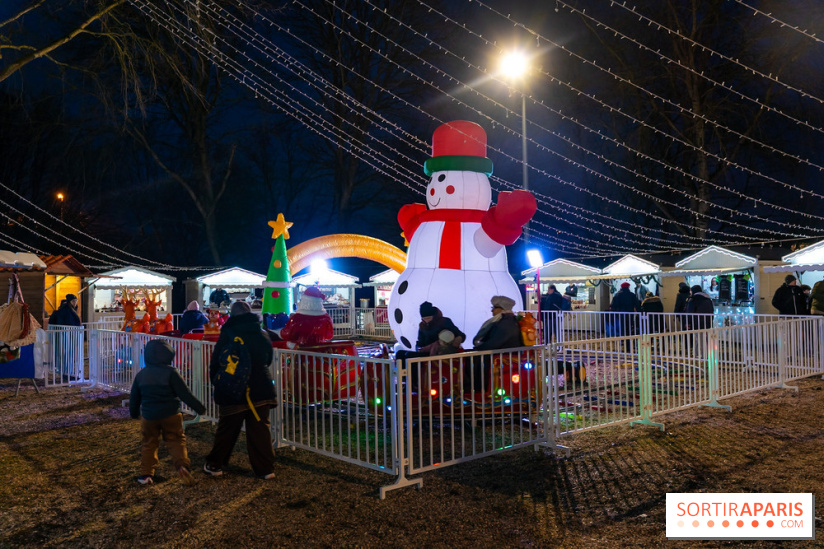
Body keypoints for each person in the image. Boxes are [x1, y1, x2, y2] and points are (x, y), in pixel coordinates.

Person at [203, 301, 277, 480]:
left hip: (232, 389)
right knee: (260, 430)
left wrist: (217, 381)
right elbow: (268, 359)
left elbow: (216, 361)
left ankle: (215, 464)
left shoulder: (228, 333)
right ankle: (265, 469)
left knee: (227, 429)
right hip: (261, 387)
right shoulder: (262, 333)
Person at [129, 339, 206, 485]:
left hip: (149, 415)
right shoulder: (172, 373)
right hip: (171, 413)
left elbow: (134, 397)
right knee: (176, 440)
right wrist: (199, 407)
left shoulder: (141, 375)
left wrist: (133, 413)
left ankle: (146, 475)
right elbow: (184, 393)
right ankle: (182, 465)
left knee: (149, 443)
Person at [468, 296, 523, 391]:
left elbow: (495, 342)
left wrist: (480, 348)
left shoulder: (505, 323)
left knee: (472, 358)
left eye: (494, 308)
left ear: (502, 309)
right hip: (500, 351)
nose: (492, 311)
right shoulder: (504, 321)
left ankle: (476, 387)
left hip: (501, 354)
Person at [610, 282, 639, 348]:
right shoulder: (632, 295)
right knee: (629, 328)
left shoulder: (617, 295)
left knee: (622, 328)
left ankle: (623, 342)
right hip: (630, 314)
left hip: (620, 314)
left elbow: (613, 305)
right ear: (628, 287)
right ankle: (628, 344)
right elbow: (637, 304)